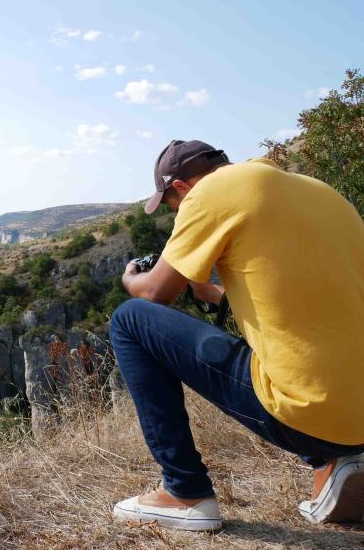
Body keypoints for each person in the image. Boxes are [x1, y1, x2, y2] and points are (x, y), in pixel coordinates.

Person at [110, 139, 364, 531]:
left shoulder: (209, 194)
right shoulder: (316, 190)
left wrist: (132, 279)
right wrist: (213, 294)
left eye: (170, 205)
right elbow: (308, 298)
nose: (175, 213)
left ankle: (185, 492)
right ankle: (338, 457)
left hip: (309, 414)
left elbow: (154, 293)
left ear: (180, 187)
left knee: (130, 319)